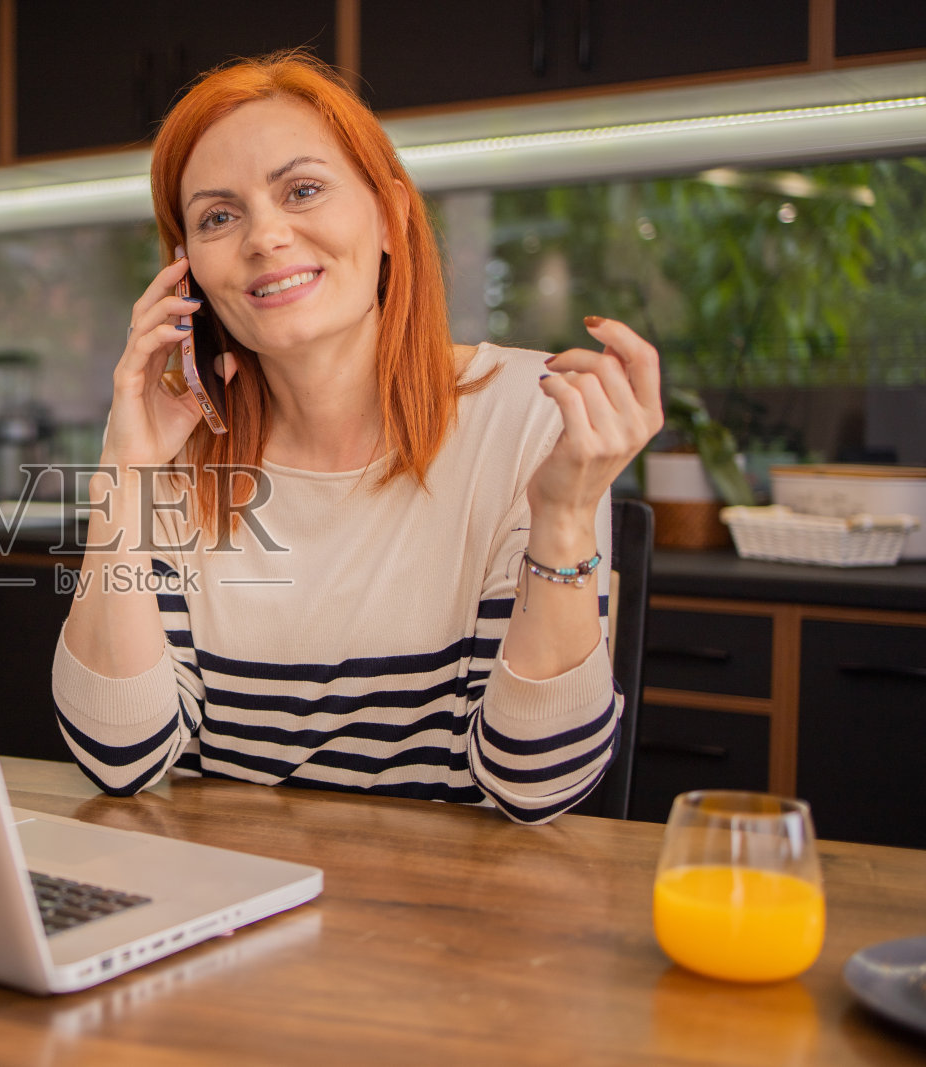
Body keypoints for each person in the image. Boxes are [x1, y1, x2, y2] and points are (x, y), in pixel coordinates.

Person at [51, 53, 663, 824]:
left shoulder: (529, 416)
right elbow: (119, 756)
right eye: (217, 216)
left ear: (389, 217)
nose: (266, 237)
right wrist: (124, 468)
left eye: (302, 189)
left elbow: (535, 783)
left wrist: (566, 516)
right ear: (187, 272)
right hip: (226, 903)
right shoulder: (175, 446)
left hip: (446, 922)